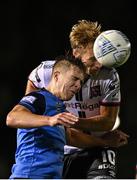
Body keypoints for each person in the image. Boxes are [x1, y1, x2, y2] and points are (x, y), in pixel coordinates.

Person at [25, 20, 129, 179]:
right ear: (76, 52)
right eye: (93, 58)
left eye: (101, 58)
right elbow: (27, 113)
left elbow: (108, 121)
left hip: (98, 148)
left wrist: (67, 121)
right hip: (60, 149)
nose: (99, 65)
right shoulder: (46, 72)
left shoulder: (109, 76)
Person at [7, 57, 126, 179]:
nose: (78, 85)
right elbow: (12, 117)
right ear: (57, 76)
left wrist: (105, 142)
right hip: (29, 175)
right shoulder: (39, 98)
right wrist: (50, 120)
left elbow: (70, 137)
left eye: (81, 81)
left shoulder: (59, 107)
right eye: (74, 78)